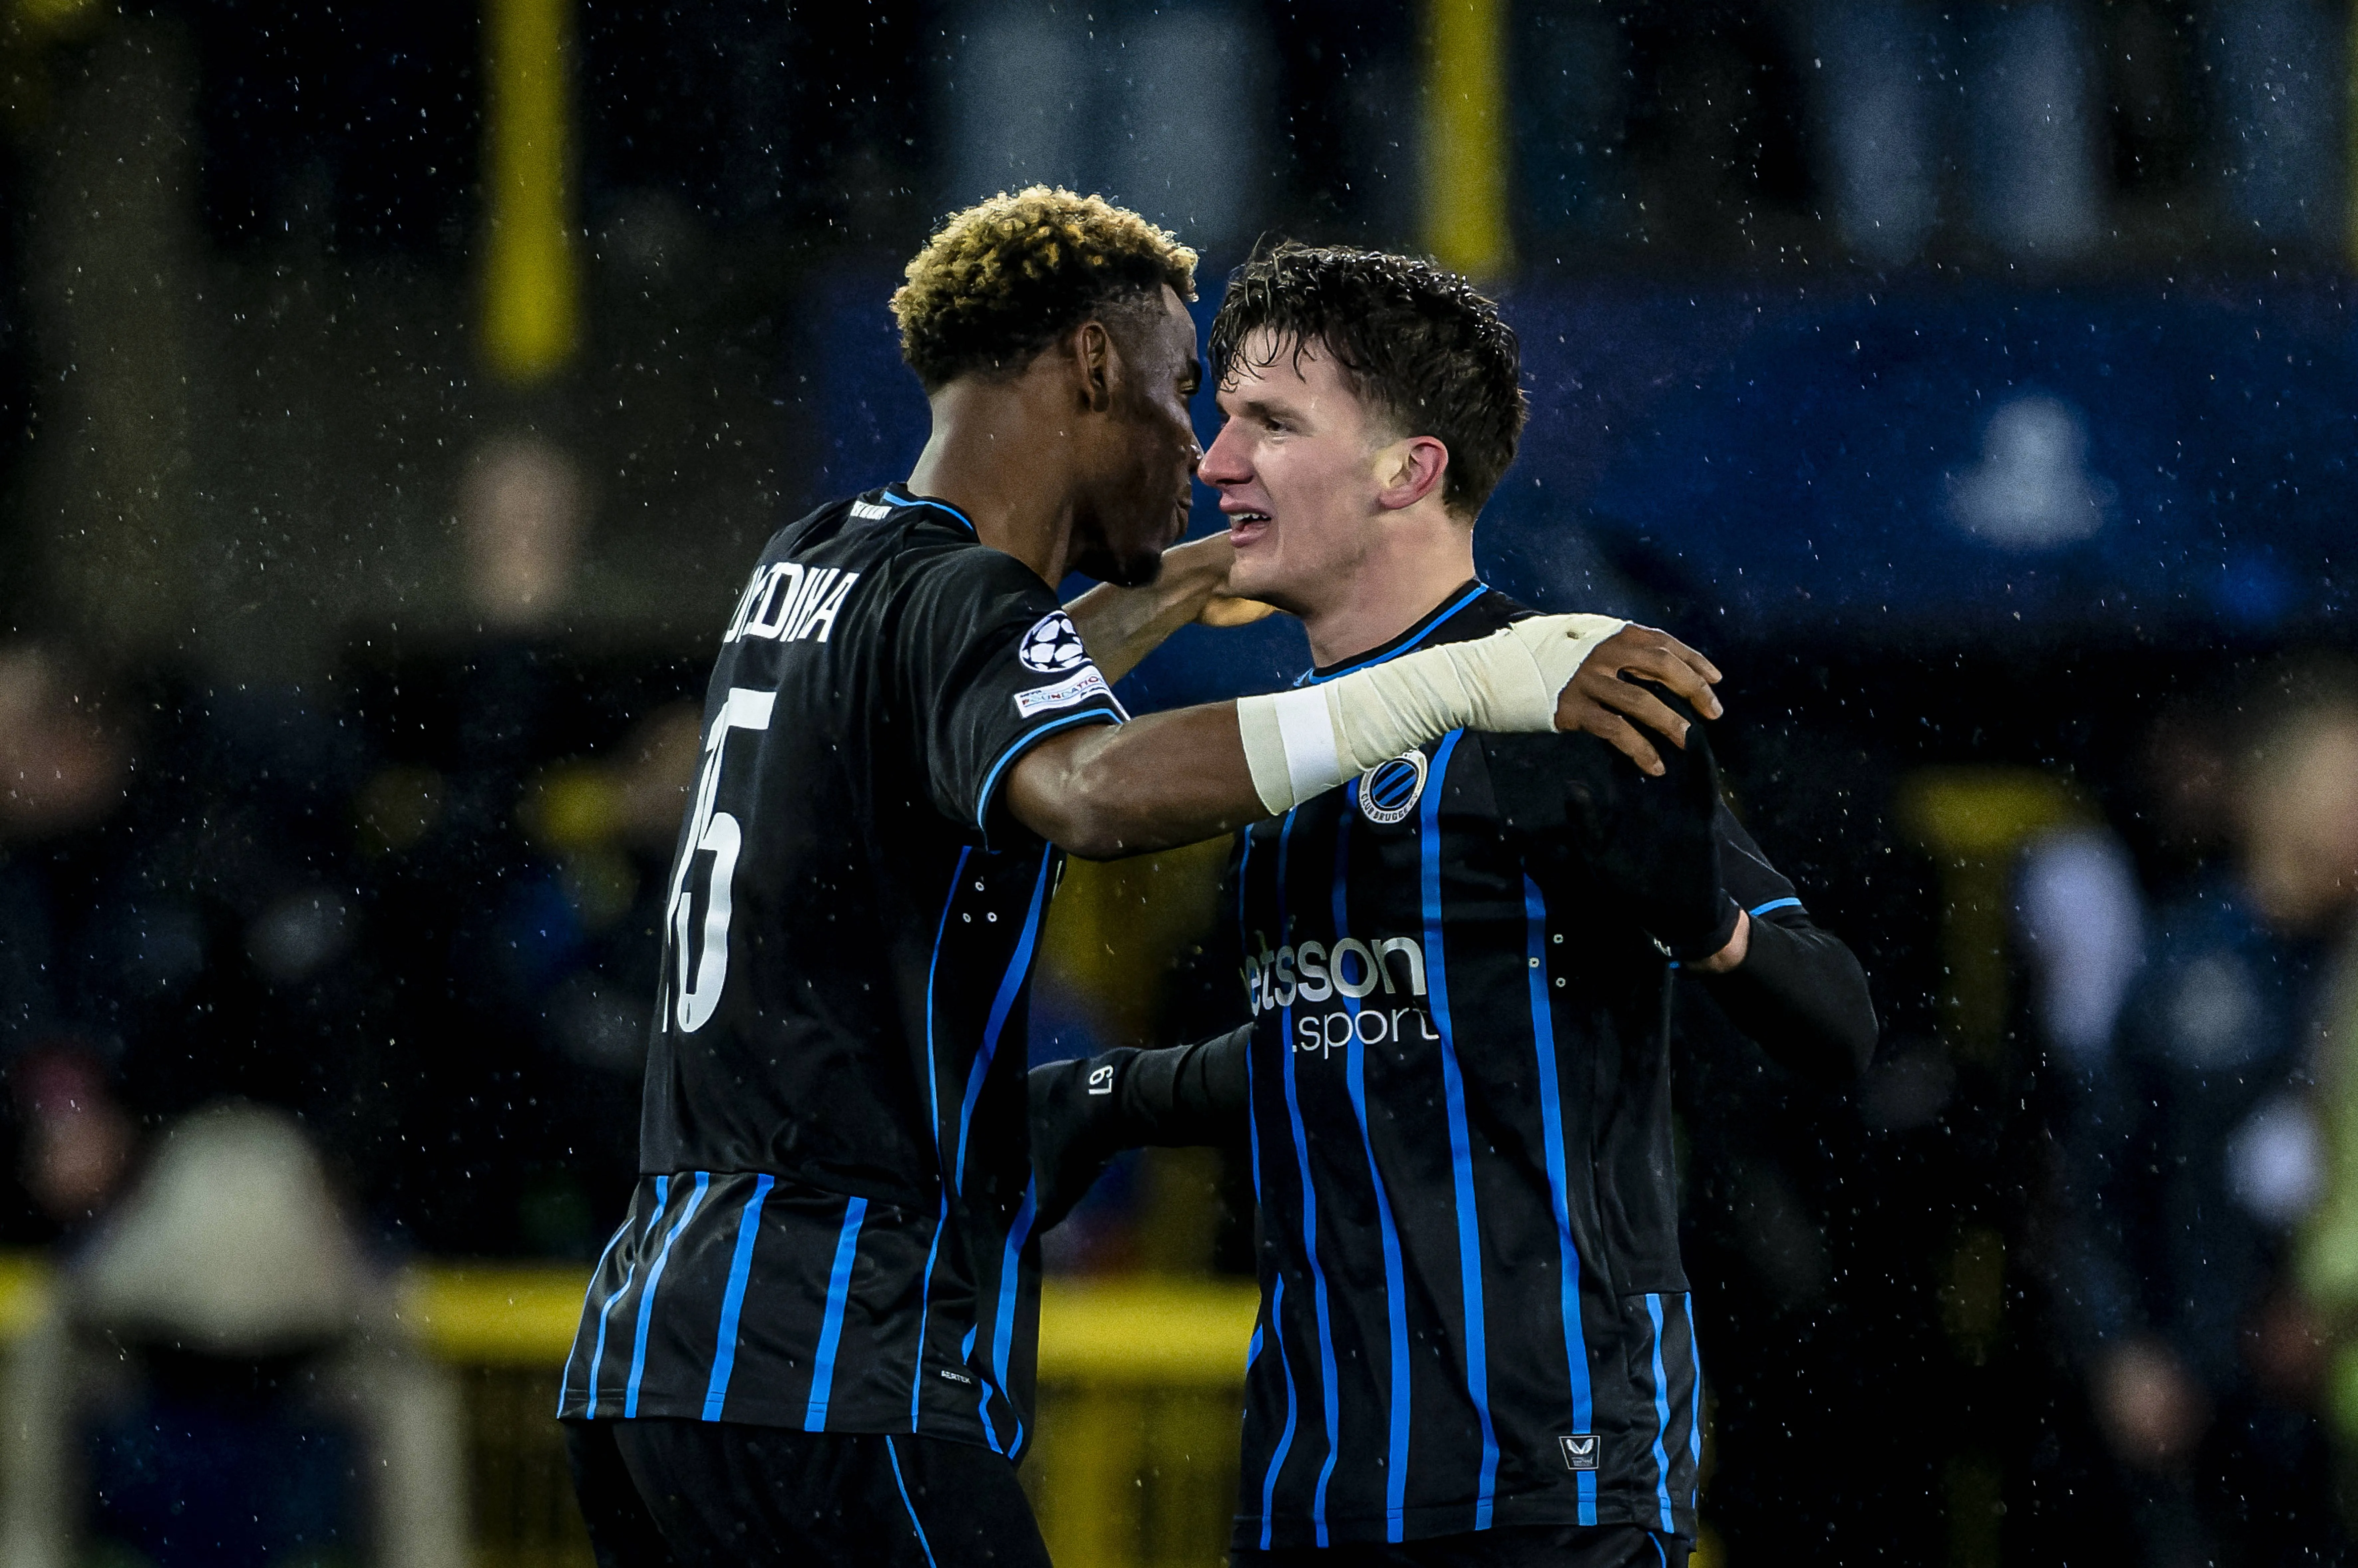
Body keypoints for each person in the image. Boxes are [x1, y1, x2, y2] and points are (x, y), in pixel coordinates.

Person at [553, 190, 1723, 1568]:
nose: (1202, 449)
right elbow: (1081, 786)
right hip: (836, 1363)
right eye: (1180, 389)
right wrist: (1464, 675)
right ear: (1094, 367)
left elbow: (993, 684)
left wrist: (1185, 577)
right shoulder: (959, 601)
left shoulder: (815, 560)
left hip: (648, 1357)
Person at [1029, 242, 1878, 1568]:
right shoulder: (1291, 746)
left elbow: (1839, 1020)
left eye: (1270, 422)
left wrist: (1702, 922)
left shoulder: (1556, 697)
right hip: (1311, 1481)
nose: (1214, 462)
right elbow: (1355, 1038)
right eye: (1222, 418)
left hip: (1541, 1478)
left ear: (1408, 470)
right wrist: (1121, 1095)